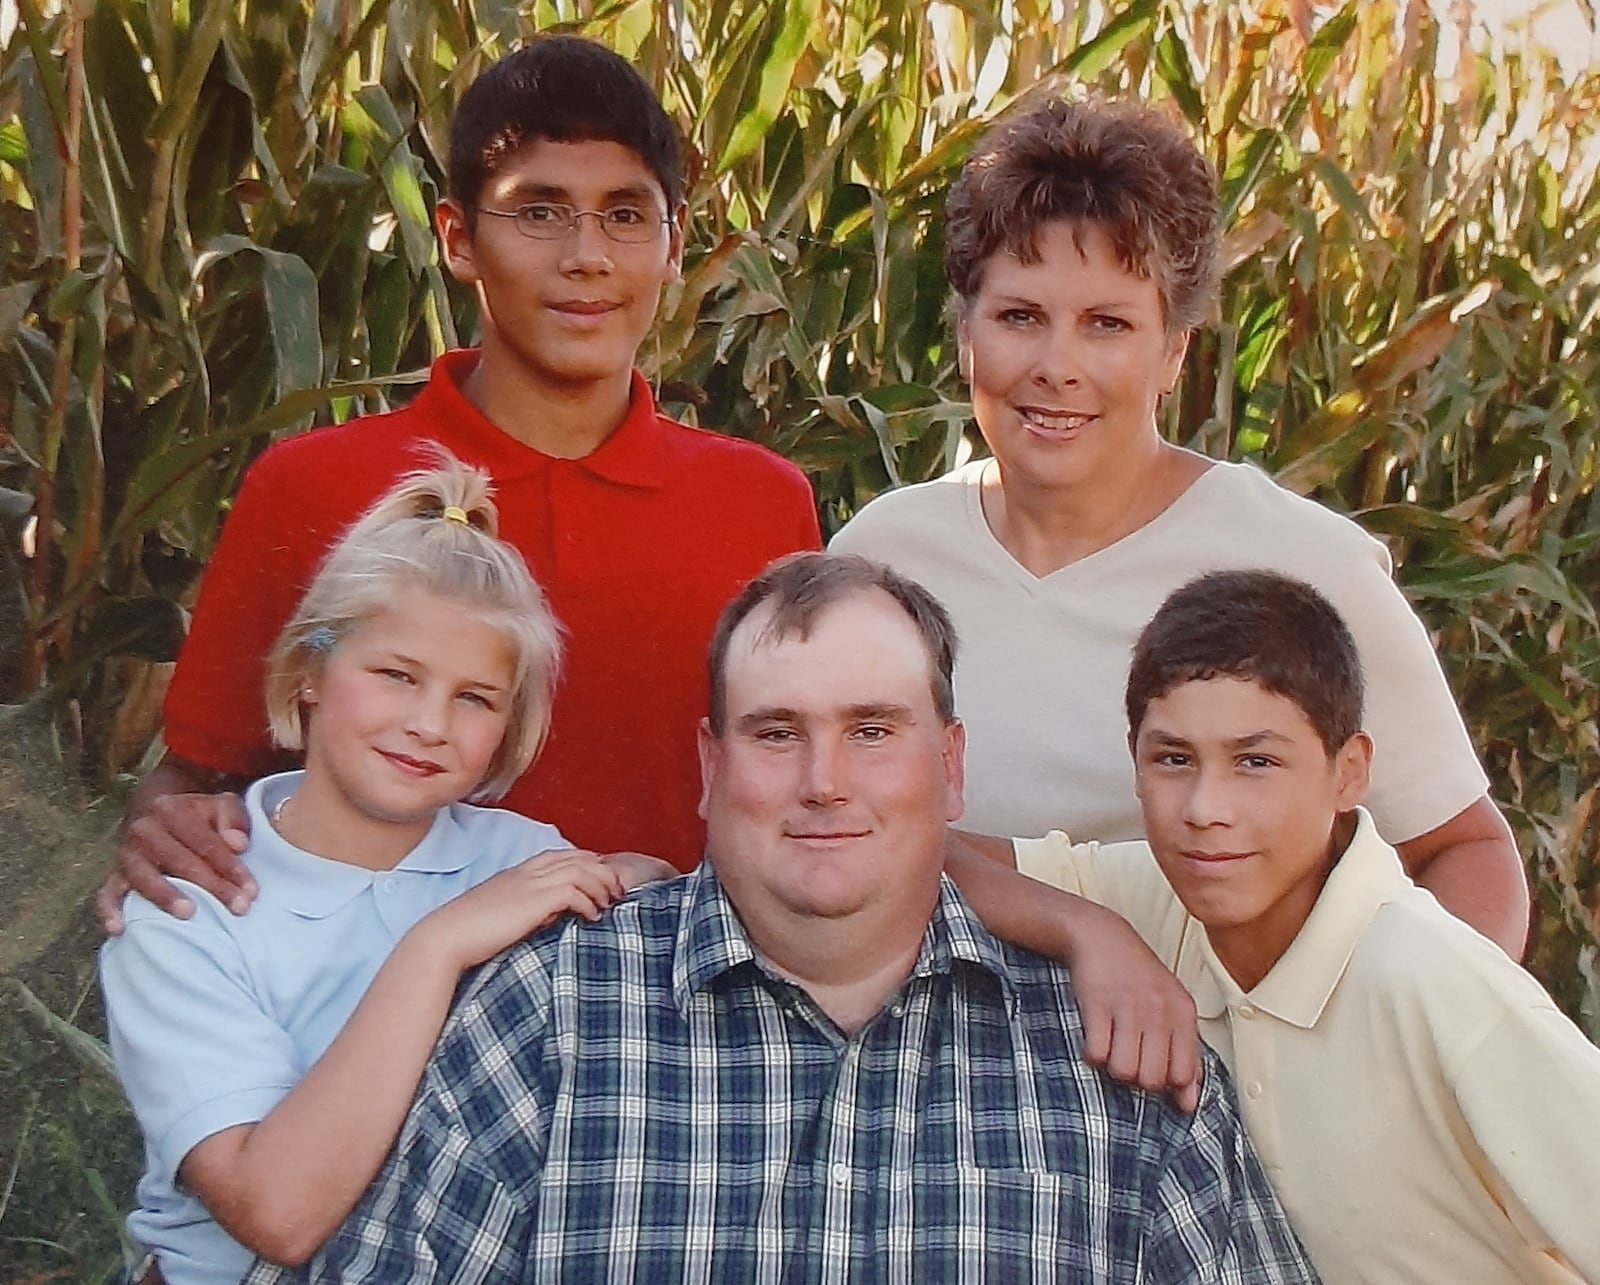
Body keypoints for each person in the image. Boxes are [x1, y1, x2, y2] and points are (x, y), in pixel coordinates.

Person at [254, 552, 1320, 1284]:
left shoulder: (1116, 1072)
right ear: (709, 768)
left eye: (872, 730)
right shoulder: (547, 1021)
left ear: (947, 769)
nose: (824, 782)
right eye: (775, 733)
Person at [102, 33, 820, 929]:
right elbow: (205, 773)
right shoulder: (312, 487)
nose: (587, 255)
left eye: (627, 215)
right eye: (540, 211)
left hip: (663, 1025)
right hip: (362, 1020)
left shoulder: (760, 503)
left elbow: (800, 780)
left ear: (675, 245)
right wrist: (159, 822)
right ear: (457, 237)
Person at [830, 95, 1529, 956]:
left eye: (1108, 325)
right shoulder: (881, 561)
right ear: (964, 333)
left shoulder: (1303, 567)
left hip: (1221, 1078)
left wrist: (1402, 1057)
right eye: (1019, 317)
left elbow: (1463, 850)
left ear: (1173, 354)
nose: (1058, 368)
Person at [100, 455, 673, 1285]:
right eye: (396, 675)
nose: (429, 723)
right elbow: (279, 1213)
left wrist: (633, 872)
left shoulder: (521, 857)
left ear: (510, 729)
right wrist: (439, 945)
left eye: (475, 697)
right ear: (308, 673)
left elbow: (649, 895)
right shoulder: (185, 910)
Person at [959, 570, 1600, 1283]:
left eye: (1256, 762)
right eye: (1174, 759)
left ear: (1349, 771)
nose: (1205, 807)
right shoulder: (1161, 898)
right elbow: (920, 856)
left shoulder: (1435, 984)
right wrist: (1088, 928)